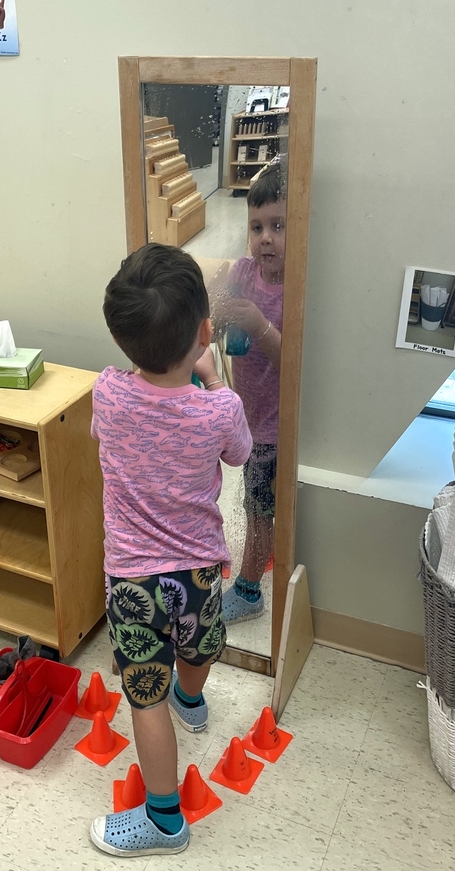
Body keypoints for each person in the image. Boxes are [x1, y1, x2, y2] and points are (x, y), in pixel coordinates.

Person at [89, 243, 252, 857]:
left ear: (122, 340)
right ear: (205, 332)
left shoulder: (108, 392)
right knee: (200, 643)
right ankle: (193, 699)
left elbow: (106, 434)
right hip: (201, 569)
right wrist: (211, 379)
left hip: (134, 580)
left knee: (143, 695)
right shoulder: (220, 409)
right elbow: (238, 454)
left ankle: (163, 819)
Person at [213, 161, 285, 624]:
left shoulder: (296, 288)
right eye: (256, 227)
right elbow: (216, 308)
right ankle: (262, 555)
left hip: (276, 428)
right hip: (250, 418)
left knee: (257, 513)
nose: (265, 238)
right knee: (254, 505)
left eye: (278, 226)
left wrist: (258, 324)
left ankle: (249, 589)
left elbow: (292, 363)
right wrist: (221, 304)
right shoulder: (244, 270)